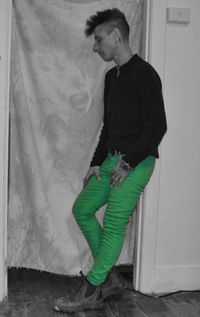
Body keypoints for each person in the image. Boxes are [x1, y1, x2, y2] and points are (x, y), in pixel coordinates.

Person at [54, 8, 167, 313]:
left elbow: (157, 127)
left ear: (117, 37)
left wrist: (128, 163)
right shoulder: (111, 78)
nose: (95, 46)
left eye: (99, 39)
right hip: (111, 161)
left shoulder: (146, 74)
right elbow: (108, 128)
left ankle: (92, 288)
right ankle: (110, 278)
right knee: (82, 209)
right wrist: (96, 161)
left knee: (115, 222)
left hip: (137, 162)